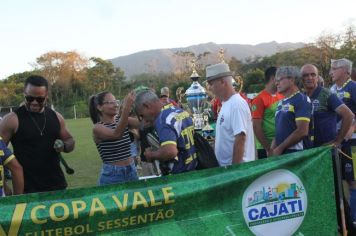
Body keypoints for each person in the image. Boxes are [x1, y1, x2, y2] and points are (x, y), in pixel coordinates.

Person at [0, 75, 75, 193]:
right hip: (26, 190)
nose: (34, 103)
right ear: (24, 94)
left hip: (57, 186)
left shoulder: (56, 117)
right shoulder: (11, 120)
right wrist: (4, 187)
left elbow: (70, 141)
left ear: (46, 97)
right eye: (29, 98)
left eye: (40, 99)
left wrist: (64, 146)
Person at [134, 90, 197, 174]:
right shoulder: (177, 110)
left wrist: (151, 155)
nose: (143, 120)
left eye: (142, 115)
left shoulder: (162, 120)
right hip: (192, 169)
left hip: (178, 175)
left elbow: (170, 152)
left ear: (147, 106)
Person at [206, 62, 255, 166]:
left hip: (238, 171)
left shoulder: (236, 104)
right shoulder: (226, 104)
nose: (209, 88)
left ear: (223, 82)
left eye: (211, 83)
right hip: (227, 171)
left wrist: (234, 171)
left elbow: (240, 138)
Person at [89, 91, 140, 185]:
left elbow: (143, 124)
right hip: (113, 174)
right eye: (110, 102)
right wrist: (126, 109)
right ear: (100, 107)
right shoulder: (97, 128)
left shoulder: (121, 120)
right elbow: (116, 134)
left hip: (131, 169)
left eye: (115, 101)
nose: (116, 105)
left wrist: (140, 105)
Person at [330, 58, 356, 225]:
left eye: (335, 68)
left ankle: (354, 219)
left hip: (352, 142)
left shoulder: (353, 87)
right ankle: (343, 218)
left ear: (346, 70)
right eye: (331, 68)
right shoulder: (331, 89)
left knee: (353, 181)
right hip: (335, 141)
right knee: (339, 180)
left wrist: (351, 130)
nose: (331, 71)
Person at [301, 64, 354, 147]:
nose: (310, 78)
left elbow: (349, 115)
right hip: (308, 150)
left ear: (317, 77)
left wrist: (338, 140)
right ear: (301, 78)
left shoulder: (326, 94)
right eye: (305, 75)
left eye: (313, 74)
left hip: (326, 151)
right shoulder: (301, 97)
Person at [270, 66, 312, 155]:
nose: (276, 83)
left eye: (279, 79)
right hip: (281, 153)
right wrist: (272, 148)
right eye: (276, 81)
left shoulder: (302, 99)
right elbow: (278, 130)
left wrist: (280, 148)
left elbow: (302, 131)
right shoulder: (281, 102)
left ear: (292, 80)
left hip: (297, 153)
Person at [251, 67, 284, 158]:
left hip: (280, 144)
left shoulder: (282, 95)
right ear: (273, 78)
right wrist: (268, 148)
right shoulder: (259, 99)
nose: (283, 81)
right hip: (266, 148)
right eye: (281, 78)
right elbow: (256, 126)